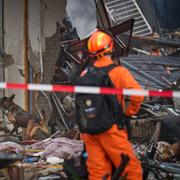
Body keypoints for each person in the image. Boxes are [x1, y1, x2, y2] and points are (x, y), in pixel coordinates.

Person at [79, 30, 144, 180]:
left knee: (98, 174)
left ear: (91, 53)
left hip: (90, 131)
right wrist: (129, 112)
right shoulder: (118, 72)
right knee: (132, 171)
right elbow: (138, 94)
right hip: (111, 129)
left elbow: (81, 103)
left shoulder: (85, 74)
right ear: (111, 48)